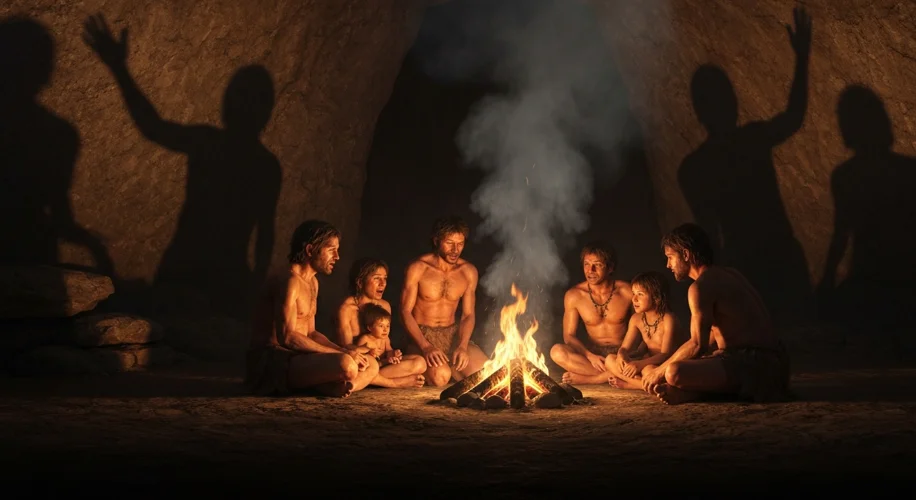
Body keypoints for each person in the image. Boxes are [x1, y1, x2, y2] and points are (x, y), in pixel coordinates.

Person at [642, 223, 790, 405]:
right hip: (777, 364)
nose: (668, 265)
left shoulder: (700, 287)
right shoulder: (730, 273)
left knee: (673, 372)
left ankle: (695, 393)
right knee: (654, 368)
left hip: (756, 365)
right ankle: (691, 392)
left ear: (686, 255)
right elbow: (713, 335)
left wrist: (661, 371)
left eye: (670, 257)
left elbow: (698, 345)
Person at [247, 220, 378, 397]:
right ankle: (329, 383)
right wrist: (342, 354)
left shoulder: (312, 282)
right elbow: (287, 337)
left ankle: (344, 387)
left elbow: (311, 333)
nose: (337, 257)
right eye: (332, 250)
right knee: (346, 364)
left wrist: (346, 350)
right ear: (310, 250)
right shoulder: (289, 281)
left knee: (371, 363)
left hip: (301, 357)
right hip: (274, 361)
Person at [400, 216, 489, 387]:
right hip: (422, 336)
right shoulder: (418, 268)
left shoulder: (468, 271)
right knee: (441, 377)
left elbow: (468, 315)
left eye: (460, 244)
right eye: (450, 243)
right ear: (436, 240)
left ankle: (454, 367)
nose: (455, 250)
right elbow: (404, 312)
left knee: (487, 373)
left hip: (452, 335)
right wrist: (425, 347)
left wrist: (462, 346)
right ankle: (442, 369)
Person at [549, 241, 633, 385]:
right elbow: (569, 336)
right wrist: (590, 355)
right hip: (594, 357)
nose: (590, 270)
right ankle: (614, 375)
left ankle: (596, 378)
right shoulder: (575, 295)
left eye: (598, 265)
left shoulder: (627, 291)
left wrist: (625, 355)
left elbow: (642, 325)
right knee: (557, 351)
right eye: (587, 264)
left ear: (610, 267)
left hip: (623, 355)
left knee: (642, 359)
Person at [606, 271, 680, 390]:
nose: (634, 299)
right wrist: (621, 355)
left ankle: (632, 385)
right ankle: (647, 385)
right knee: (610, 359)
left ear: (656, 297)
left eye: (640, 294)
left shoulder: (668, 319)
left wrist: (640, 365)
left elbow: (666, 355)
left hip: (665, 366)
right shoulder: (636, 319)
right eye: (633, 293)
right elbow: (625, 348)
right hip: (647, 362)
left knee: (647, 370)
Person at [353, 303, 426, 388]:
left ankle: (376, 380)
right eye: (381, 326)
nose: (385, 329)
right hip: (374, 370)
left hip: (385, 367)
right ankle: (398, 381)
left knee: (421, 362)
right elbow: (359, 360)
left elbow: (389, 351)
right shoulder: (365, 339)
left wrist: (394, 354)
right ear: (370, 327)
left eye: (388, 326)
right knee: (370, 370)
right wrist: (369, 352)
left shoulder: (385, 338)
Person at [336, 257, 392, 347]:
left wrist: (392, 354)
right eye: (377, 278)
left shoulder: (385, 306)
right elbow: (346, 348)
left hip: (379, 359)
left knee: (418, 360)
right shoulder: (346, 309)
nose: (383, 283)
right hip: (356, 358)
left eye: (385, 278)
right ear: (360, 282)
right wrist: (368, 352)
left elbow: (384, 342)